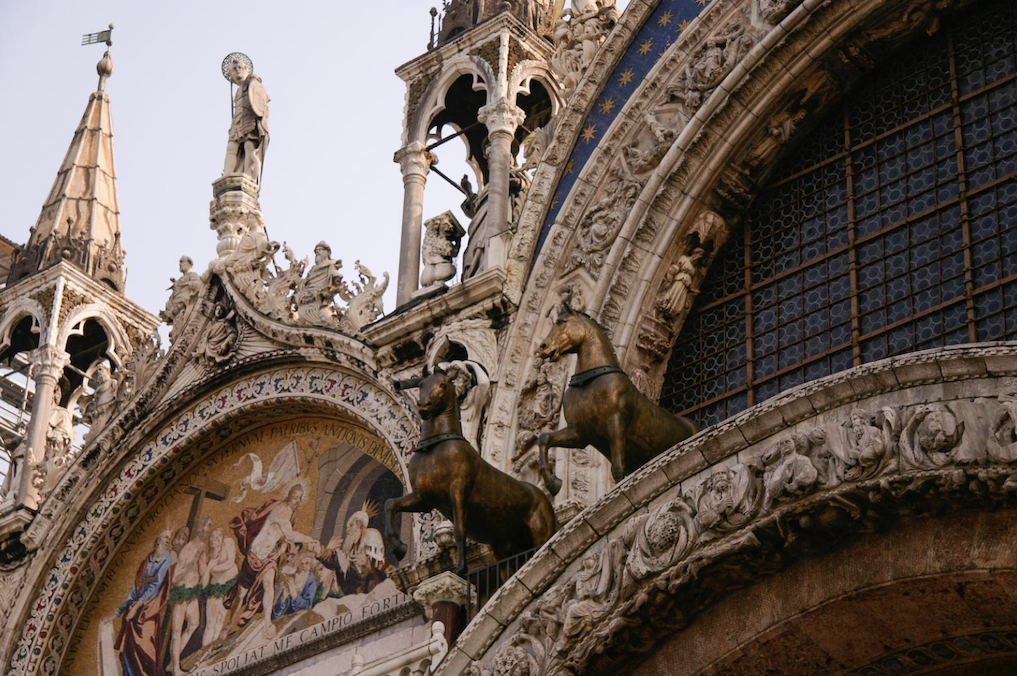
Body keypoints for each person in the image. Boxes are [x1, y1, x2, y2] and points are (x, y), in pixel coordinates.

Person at [222, 484, 321, 639]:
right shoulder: (281, 510)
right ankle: (229, 625)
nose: (296, 501)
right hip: (254, 555)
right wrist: (310, 539)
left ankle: (267, 623)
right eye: (295, 497)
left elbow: (283, 538)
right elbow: (290, 535)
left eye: (299, 498)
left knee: (269, 585)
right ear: (288, 495)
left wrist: (281, 549)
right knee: (241, 594)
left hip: (269, 557)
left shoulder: (290, 515)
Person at [114, 529, 173, 676]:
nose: (167, 541)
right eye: (165, 537)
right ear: (158, 540)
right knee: (129, 646)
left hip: (150, 606)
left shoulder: (166, 557)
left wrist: (139, 604)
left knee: (145, 642)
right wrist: (118, 612)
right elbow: (135, 588)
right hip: (136, 606)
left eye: (169, 539)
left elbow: (156, 584)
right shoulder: (146, 561)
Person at [168, 517, 210, 674]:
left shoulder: (201, 548)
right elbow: (175, 577)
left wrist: (207, 563)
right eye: (207, 526)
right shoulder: (188, 549)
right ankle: (176, 668)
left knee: (194, 623)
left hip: (192, 592)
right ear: (200, 528)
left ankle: (174, 661)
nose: (208, 529)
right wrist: (193, 560)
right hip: (181, 592)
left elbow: (202, 571)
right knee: (177, 630)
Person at [317, 510, 390, 596]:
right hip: (355, 591)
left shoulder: (371, 535)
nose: (348, 530)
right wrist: (327, 551)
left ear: (359, 525)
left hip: (372, 587)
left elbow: (379, 563)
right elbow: (339, 563)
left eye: (351, 525)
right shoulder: (352, 548)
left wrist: (367, 562)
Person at [223, 57, 269, 181]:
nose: (237, 70)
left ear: (245, 69)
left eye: (240, 67)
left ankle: (248, 175)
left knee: (249, 144)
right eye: (234, 69)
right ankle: (227, 175)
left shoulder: (253, 82)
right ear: (230, 75)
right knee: (231, 147)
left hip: (249, 117)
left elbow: (260, 102)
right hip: (237, 121)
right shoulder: (238, 91)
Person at [202, 527, 239, 647]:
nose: (214, 539)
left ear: (222, 537)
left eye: (217, 536)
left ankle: (212, 648)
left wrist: (214, 568)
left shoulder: (228, 542)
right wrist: (210, 567)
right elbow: (207, 577)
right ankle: (204, 650)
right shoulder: (210, 556)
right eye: (212, 537)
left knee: (220, 619)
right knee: (211, 622)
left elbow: (231, 562)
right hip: (216, 588)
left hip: (229, 586)